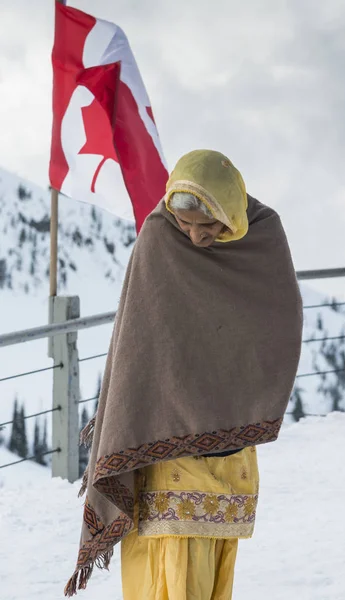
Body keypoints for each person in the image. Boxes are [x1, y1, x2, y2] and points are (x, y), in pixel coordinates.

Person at [65, 149, 303, 599]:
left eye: (209, 226)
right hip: (165, 441)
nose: (196, 236)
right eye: (187, 223)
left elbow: (278, 324)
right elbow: (141, 347)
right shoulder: (160, 236)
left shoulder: (263, 236)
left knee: (213, 573)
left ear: (231, 213)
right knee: (169, 571)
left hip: (230, 444)